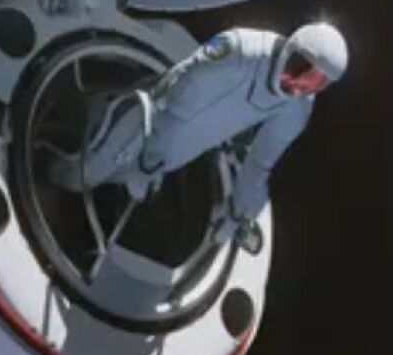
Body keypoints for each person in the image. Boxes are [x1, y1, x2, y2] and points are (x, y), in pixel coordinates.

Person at [51, 22, 348, 248]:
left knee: (102, 184)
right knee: (80, 176)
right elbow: (176, 99)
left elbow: (260, 162)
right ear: (290, 50)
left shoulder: (296, 107)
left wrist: (239, 212)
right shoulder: (241, 52)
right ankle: (43, 150)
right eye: (303, 71)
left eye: (317, 83)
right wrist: (150, 160)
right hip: (143, 121)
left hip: (165, 159)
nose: (301, 85)